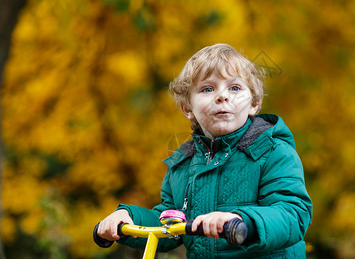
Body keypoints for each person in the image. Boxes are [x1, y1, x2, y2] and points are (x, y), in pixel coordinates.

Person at [96, 43, 313, 258]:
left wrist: (240, 220)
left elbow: (292, 214)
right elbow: (169, 224)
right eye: (207, 89)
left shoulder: (273, 152)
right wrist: (129, 218)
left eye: (235, 88)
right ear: (187, 108)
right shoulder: (183, 165)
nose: (222, 96)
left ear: (254, 103)